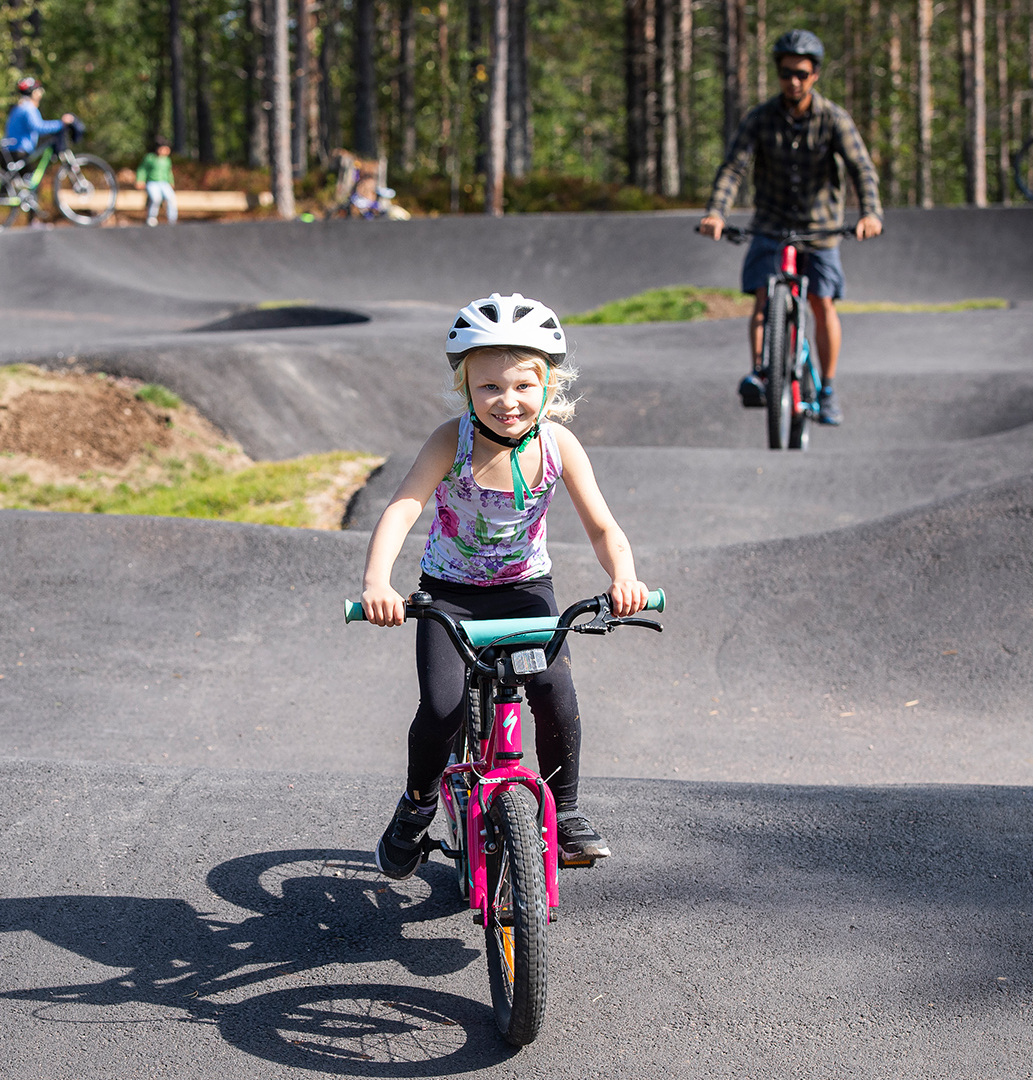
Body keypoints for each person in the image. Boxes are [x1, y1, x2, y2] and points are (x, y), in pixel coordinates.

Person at [363, 293, 651, 878]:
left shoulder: (557, 445)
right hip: (450, 591)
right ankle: (417, 805)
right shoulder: (451, 441)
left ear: (550, 385)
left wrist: (625, 577)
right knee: (442, 707)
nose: (507, 400)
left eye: (523, 385)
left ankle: (565, 811)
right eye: (489, 386)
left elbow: (602, 526)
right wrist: (378, 581)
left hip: (526, 589)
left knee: (555, 693)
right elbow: (403, 508)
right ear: (465, 388)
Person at [698, 29, 883, 429]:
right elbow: (734, 167)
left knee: (822, 303)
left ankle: (828, 390)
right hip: (770, 225)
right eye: (785, 73)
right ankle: (763, 374)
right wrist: (716, 212)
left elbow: (861, 169)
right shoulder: (761, 119)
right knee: (764, 299)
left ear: (814, 74)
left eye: (800, 73)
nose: (793, 81)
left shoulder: (834, 118)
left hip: (822, 228)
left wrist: (871, 213)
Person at [5, 76, 78, 159]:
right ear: (34, 93)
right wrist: (61, 124)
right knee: (31, 172)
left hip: (13, 149)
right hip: (20, 149)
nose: (40, 95)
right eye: (39, 92)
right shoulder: (29, 108)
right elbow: (38, 127)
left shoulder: (19, 107)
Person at [137, 140, 177, 227]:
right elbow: (142, 170)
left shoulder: (167, 160)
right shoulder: (150, 158)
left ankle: (172, 218)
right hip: (153, 182)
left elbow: (169, 172)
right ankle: (151, 217)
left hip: (164, 183)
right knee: (156, 198)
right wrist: (140, 180)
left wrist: (171, 181)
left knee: (171, 198)